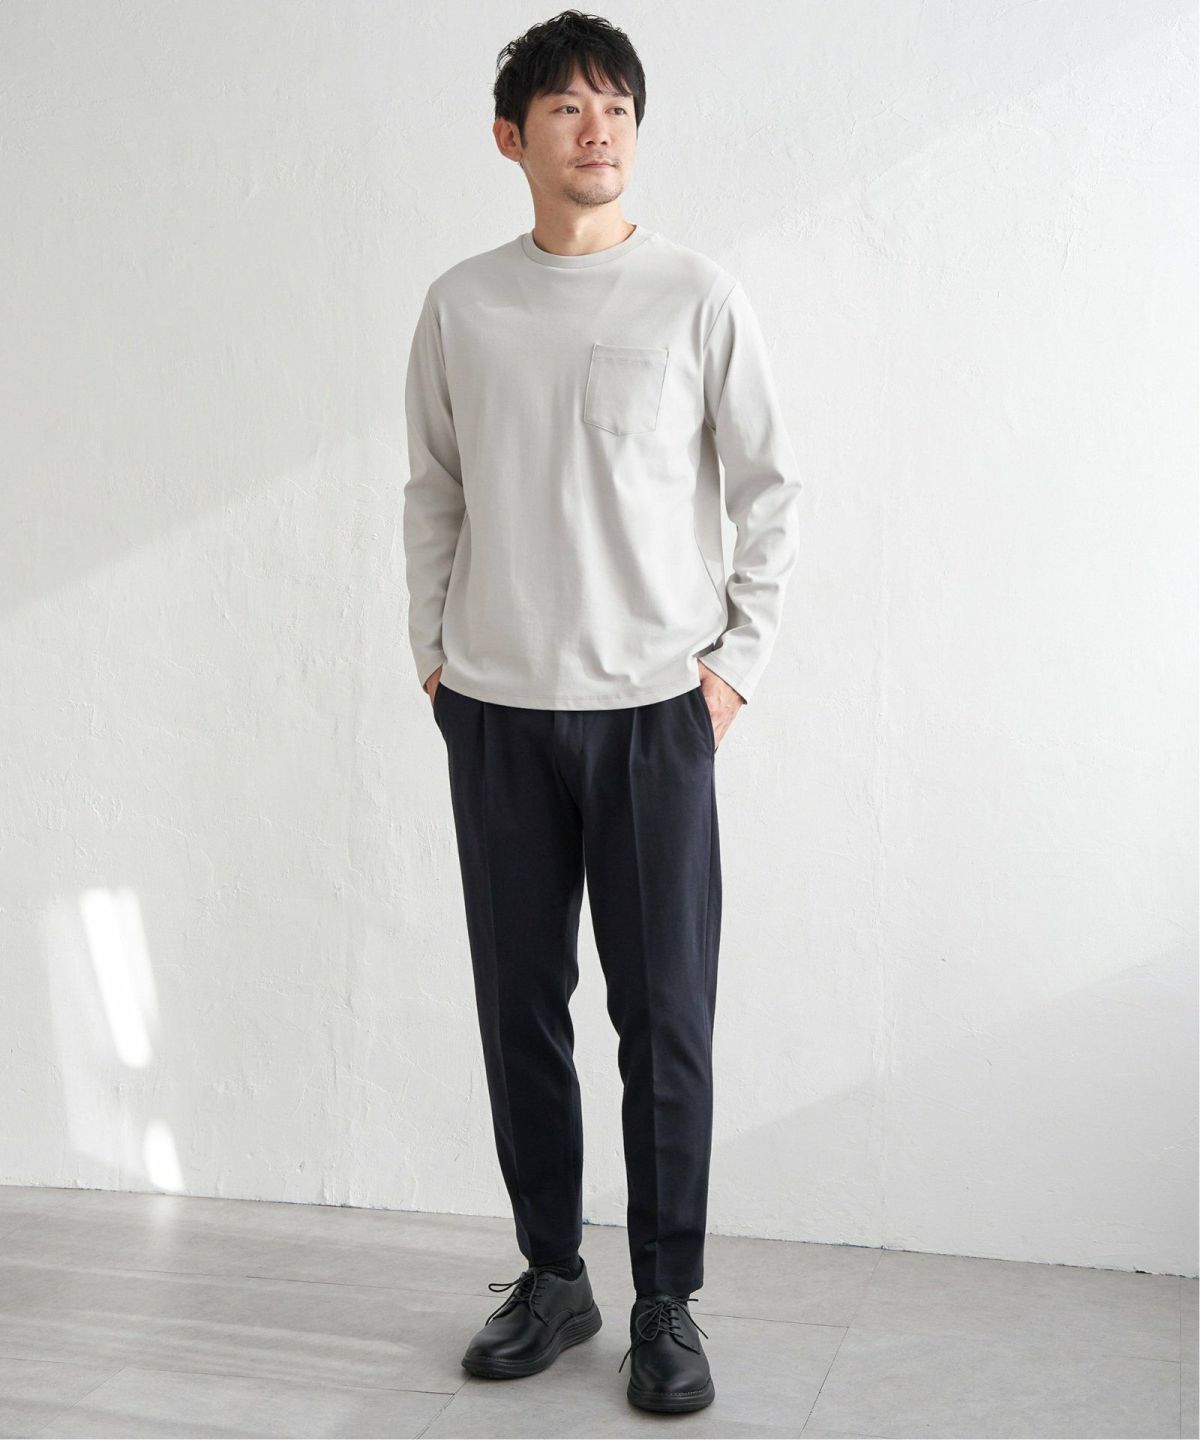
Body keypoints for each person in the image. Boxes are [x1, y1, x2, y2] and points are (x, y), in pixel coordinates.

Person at [402, 8, 802, 1416]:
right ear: (510, 137)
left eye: (617, 105)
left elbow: (772, 490)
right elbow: (435, 490)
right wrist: (434, 661)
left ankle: (667, 1303)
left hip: (653, 714)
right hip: (496, 711)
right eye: (568, 107)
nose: (598, 128)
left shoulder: (697, 294)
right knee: (520, 1007)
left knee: (665, 1020)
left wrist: (733, 669)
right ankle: (554, 1276)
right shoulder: (462, 304)